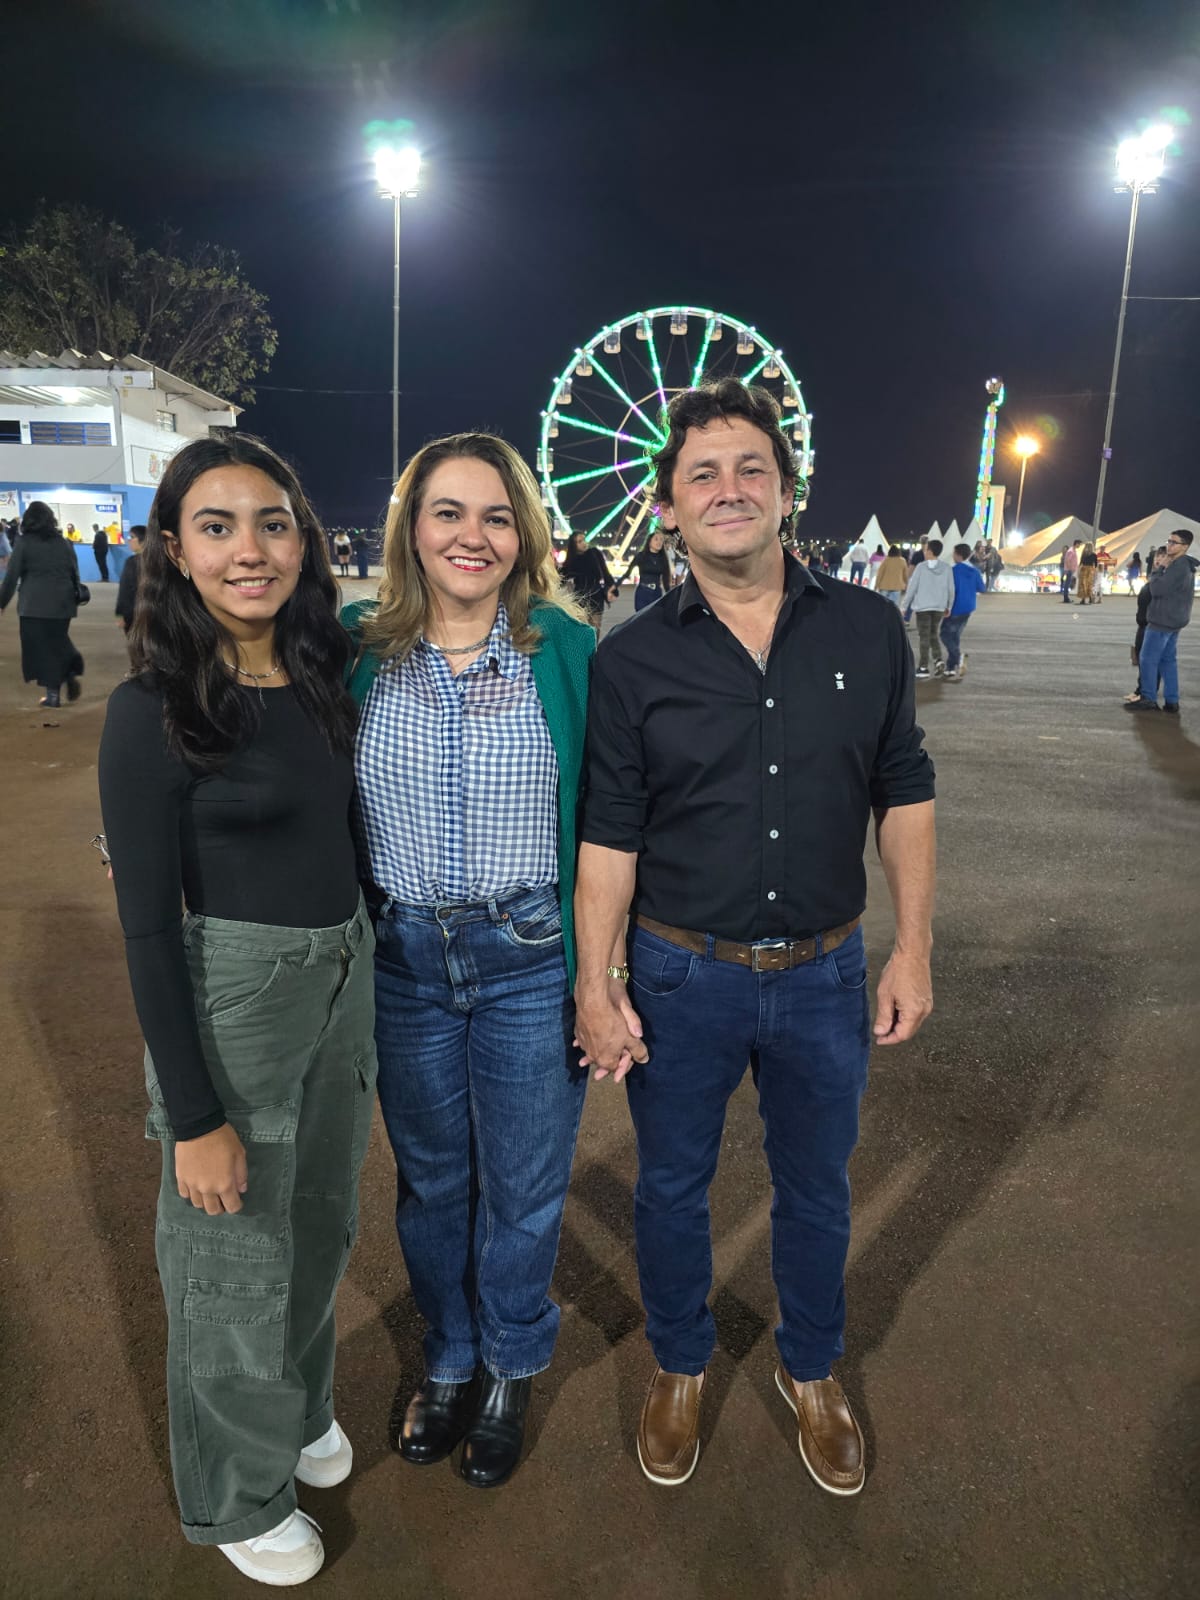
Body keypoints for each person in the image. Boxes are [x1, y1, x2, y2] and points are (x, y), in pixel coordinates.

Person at [572, 377, 935, 1497]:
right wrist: (599, 981)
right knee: (672, 1187)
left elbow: (904, 791)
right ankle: (680, 1363)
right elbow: (610, 837)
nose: (728, 491)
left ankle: (810, 1367)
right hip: (683, 974)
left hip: (826, 970)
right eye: (702, 475)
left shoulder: (869, 629)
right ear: (668, 506)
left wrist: (914, 945)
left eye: (749, 471)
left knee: (818, 1184)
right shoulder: (632, 659)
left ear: (786, 491)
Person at [97, 434, 375, 1587]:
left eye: (271, 522)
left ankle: (298, 1408)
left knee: (317, 1228)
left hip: (344, 978)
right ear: (175, 548)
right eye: (216, 527)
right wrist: (195, 1112)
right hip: (235, 997)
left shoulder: (321, 672)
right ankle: (233, 1488)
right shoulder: (150, 708)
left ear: (304, 540)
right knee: (229, 1260)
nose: (248, 550)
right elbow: (151, 930)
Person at [344, 432, 595, 1489]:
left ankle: (510, 1362)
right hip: (404, 954)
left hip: (530, 954)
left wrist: (605, 973)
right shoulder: (359, 646)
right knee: (435, 1180)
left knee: (527, 1186)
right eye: (448, 511)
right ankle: (448, 1358)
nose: (472, 535)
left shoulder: (567, 653)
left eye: (496, 516)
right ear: (412, 526)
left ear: (524, 536)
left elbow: (612, 820)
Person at [0, 500, 85, 707]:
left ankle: (54, 694)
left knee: (40, 650)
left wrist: (2, 603)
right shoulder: (63, 542)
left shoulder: (25, 542)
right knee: (56, 642)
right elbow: (74, 570)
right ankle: (69, 670)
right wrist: (74, 595)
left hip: (34, 605)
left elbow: (12, 576)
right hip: (62, 603)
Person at [1124, 530, 1197, 714]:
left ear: (1185, 546)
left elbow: (1157, 589)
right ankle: (1172, 700)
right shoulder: (1185, 565)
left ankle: (1148, 698)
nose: (1169, 545)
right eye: (1169, 541)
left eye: (1174, 542)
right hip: (1175, 619)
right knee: (1168, 661)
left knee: (1148, 659)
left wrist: (1159, 570)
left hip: (1163, 619)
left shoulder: (1178, 566)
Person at [902, 538, 955, 677]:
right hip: (939, 607)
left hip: (923, 607)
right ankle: (938, 660)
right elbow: (951, 589)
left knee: (924, 636)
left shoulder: (921, 567)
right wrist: (949, 606)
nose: (925, 552)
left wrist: (904, 606)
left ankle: (923, 667)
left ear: (930, 551)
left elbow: (912, 588)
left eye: (926, 550)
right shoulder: (946, 568)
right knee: (933, 634)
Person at [940, 542, 987, 680]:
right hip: (968, 607)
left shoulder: (952, 570)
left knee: (945, 635)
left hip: (954, 607)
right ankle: (951, 667)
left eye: (954, 553)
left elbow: (948, 590)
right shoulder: (974, 570)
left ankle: (959, 657)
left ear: (958, 555)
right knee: (955, 636)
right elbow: (982, 588)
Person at [560, 530, 617, 633]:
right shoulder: (572, 560)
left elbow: (605, 572)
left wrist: (613, 588)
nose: (583, 543)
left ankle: (594, 649)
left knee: (595, 629)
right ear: (574, 545)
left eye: (584, 540)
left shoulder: (595, 553)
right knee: (582, 630)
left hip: (596, 596)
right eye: (579, 541)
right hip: (580, 598)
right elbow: (562, 578)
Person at [618, 528, 675, 610]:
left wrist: (670, 597)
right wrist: (615, 586)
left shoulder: (663, 559)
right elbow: (627, 573)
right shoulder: (641, 556)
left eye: (661, 540)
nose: (659, 542)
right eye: (656, 539)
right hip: (642, 592)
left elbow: (666, 581)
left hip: (656, 593)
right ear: (649, 542)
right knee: (641, 619)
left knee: (655, 619)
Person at [114, 524, 147, 633]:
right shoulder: (161, 561)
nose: (129, 541)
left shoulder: (132, 562)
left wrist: (121, 614)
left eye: (131, 537)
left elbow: (125, 590)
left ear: (142, 540)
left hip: (135, 614)